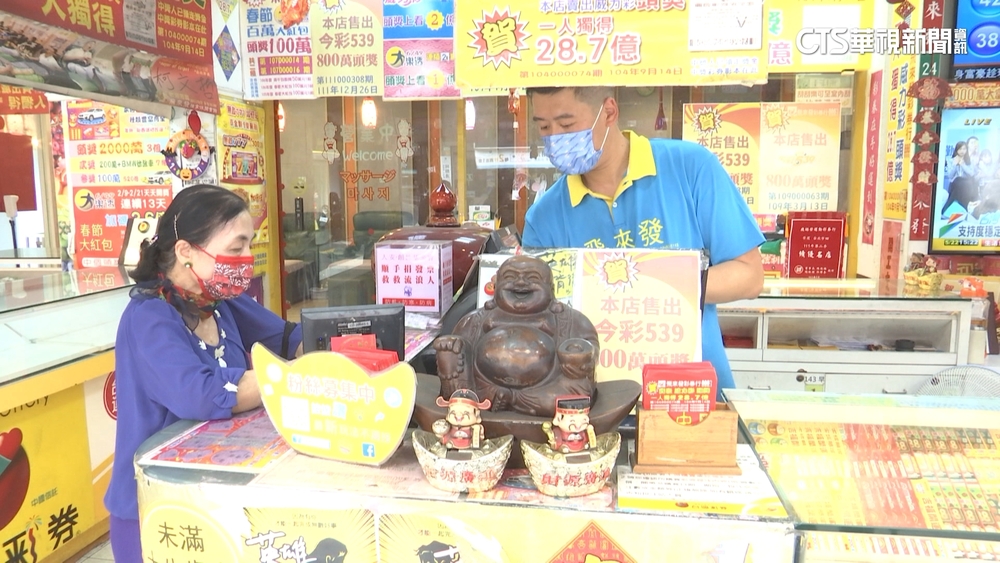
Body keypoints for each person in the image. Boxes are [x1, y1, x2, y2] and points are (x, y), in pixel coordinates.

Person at [105, 185, 303, 562]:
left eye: (250, 245)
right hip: (155, 511)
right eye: (236, 247)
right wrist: (286, 374)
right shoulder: (149, 318)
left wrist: (339, 343)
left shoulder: (220, 302)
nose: (247, 258)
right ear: (186, 252)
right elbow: (201, 394)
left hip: (217, 495)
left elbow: (288, 337)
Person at [522, 87, 764, 391]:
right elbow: (538, 314)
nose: (555, 137)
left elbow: (749, 275)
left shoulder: (691, 168)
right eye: (544, 127)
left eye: (567, 125)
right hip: (591, 406)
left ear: (609, 111)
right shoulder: (544, 217)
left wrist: (648, 288)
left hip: (691, 393)